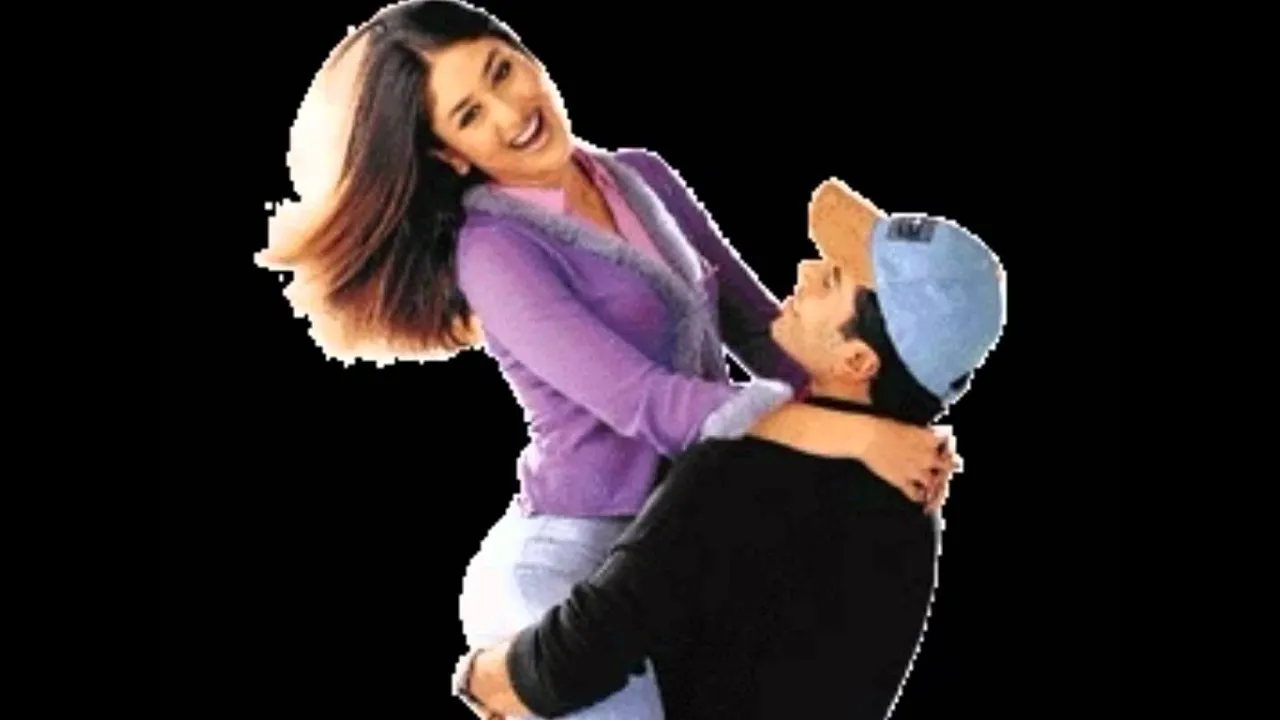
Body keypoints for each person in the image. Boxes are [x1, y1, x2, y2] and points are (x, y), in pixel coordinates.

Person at [257, 2, 957, 716]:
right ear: (450, 154)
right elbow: (645, 403)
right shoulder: (494, 252)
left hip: (683, 527)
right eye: (469, 114)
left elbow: (760, 331)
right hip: (571, 554)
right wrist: (857, 436)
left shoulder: (641, 176)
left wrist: (893, 421)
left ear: (525, 54)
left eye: (502, 71)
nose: (510, 112)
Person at [452, 179, 1007, 719]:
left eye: (833, 280)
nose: (806, 271)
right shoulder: (914, 503)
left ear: (858, 361)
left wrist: (476, 679)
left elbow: (579, 657)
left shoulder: (743, 468)